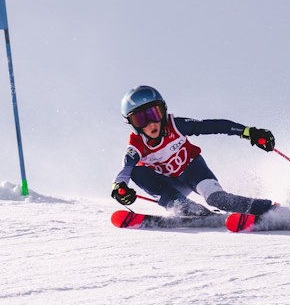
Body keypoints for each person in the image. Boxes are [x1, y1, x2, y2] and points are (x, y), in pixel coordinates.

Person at [111, 85, 278, 218]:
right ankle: (179, 204)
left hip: (193, 170)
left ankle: (268, 209)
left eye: (154, 114)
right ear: (132, 124)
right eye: (141, 119)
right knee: (137, 171)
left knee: (217, 199)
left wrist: (249, 132)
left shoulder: (175, 126)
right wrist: (119, 187)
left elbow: (214, 126)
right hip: (170, 184)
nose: (150, 123)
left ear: (163, 112)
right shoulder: (136, 144)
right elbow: (125, 170)